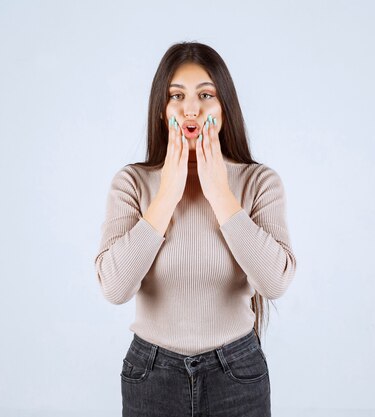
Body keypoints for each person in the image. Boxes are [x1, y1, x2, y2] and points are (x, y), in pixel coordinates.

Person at [94, 41, 297, 417]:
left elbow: (275, 283)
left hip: (236, 374)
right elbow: (114, 287)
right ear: (161, 110)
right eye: (176, 96)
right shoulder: (132, 184)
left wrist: (220, 193)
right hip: (151, 375)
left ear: (224, 108)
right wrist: (167, 194)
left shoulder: (259, 183)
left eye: (206, 94)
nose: (191, 108)